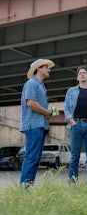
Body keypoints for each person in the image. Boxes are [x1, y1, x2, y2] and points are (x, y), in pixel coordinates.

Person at [20, 58, 55, 188]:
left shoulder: (41, 86)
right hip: (33, 125)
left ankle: (28, 186)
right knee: (31, 157)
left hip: (39, 125)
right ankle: (25, 188)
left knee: (35, 158)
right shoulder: (31, 83)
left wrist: (47, 114)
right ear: (39, 69)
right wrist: (47, 112)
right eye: (47, 67)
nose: (49, 69)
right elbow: (31, 103)